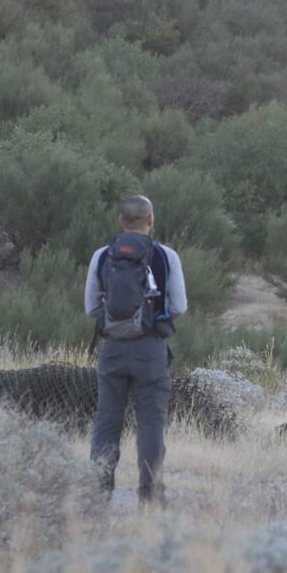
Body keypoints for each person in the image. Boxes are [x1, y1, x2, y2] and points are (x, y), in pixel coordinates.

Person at [85, 195, 187, 504]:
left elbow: (91, 307)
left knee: (107, 421)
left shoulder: (103, 255)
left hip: (112, 349)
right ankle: (150, 496)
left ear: (120, 220)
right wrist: (150, 321)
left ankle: (98, 494)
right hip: (151, 351)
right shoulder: (166, 256)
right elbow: (180, 306)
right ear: (151, 220)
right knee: (151, 424)